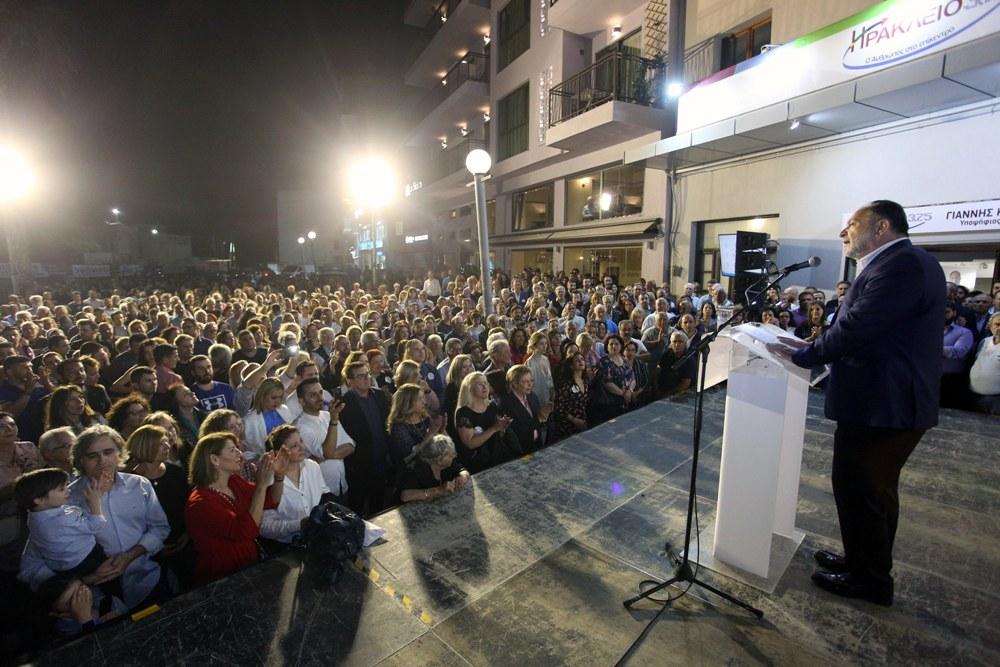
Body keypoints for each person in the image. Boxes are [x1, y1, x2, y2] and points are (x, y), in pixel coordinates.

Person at [780, 200, 945, 607]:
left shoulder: (901, 265)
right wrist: (813, 347)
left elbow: (858, 326)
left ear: (882, 227)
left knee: (862, 491)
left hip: (884, 405)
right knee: (873, 492)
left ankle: (869, 581)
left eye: (852, 224)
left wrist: (804, 354)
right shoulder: (905, 262)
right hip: (884, 402)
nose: (843, 233)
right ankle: (863, 562)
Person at [19, 425, 172, 610]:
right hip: (94, 599)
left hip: (147, 580)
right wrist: (79, 581)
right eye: (92, 456)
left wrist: (131, 556)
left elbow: (160, 528)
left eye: (108, 452)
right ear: (80, 460)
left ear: (120, 453)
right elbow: (31, 566)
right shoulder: (63, 499)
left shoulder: (139, 485)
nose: (102, 461)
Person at [184, 433, 287, 584]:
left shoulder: (233, 481)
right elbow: (246, 531)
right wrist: (261, 485)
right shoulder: (200, 503)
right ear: (214, 459)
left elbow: (271, 500)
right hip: (222, 577)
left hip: (248, 566)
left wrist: (279, 476)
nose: (240, 453)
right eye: (233, 450)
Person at [15, 467, 123, 606]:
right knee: (109, 580)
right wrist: (95, 502)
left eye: (66, 486)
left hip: (62, 566)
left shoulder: (34, 517)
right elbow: (95, 525)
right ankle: (117, 607)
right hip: (87, 559)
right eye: (61, 489)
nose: (68, 490)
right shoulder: (61, 520)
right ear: (39, 500)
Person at [122, 425, 193, 588]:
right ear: (146, 446)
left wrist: (188, 533)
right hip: (148, 556)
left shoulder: (176, 472)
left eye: (167, 441)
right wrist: (154, 547)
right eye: (161, 443)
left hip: (184, 543)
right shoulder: (131, 482)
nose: (168, 446)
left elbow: (190, 505)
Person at [338, 361, 392, 517]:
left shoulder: (380, 395)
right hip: (359, 465)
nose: (366, 378)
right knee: (358, 507)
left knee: (379, 506)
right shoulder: (344, 404)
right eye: (360, 376)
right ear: (350, 381)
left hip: (381, 461)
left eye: (367, 374)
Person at [259, 425, 330, 544]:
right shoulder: (269, 480)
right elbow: (264, 528)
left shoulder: (312, 467)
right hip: (286, 546)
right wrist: (299, 524)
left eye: (301, 441)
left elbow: (324, 496)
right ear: (279, 453)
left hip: (316, 539)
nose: (302, 447)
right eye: (294, 446)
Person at [292, 378, 353, 500]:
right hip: (321, 491)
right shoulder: (300, 427)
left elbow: (350, 446)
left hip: (341, 484)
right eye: (313, 395)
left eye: (320, 392)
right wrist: (334, 422)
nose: (320, 398)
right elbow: (327, 452)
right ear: (301, 401)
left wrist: (324, 456)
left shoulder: (328, 415)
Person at [454, 372, 515, 473]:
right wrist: (494, 428)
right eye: (480, 384)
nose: (485, 386)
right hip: (478, 464)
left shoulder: (491, 406)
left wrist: (503, 426)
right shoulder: (463, 413)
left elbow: (499, 433)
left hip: (498, 458)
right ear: (469, 388)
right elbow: (470, 443)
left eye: (486, 383)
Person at [398, 434, 470, 504]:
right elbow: (405, 496)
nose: (454, 456)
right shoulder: (417, 468)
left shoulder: (448, 464)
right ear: (440, 460)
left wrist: (462, 477)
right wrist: (438, 490)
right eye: (451, 455)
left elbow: (462, 470)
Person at [500, 365, 551, 453]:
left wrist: (544, 415)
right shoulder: (507, 404)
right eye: (525, 381)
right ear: (514, 384)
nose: (530, 384)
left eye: (531, 380)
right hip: (521, 451)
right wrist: (538, 419)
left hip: (537, 446)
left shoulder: (532, 396)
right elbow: (517, 431)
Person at [242, 378, 293, 458]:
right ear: (263, 396)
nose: (277, 401)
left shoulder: (284, 409)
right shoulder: (249, 420)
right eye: (273, 398)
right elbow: (249, 449)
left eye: (280, 397)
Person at [941, 301, 973, 408]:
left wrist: (931, 349)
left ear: (954, 313)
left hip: (950, 380)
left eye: (946, 312)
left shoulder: (964, 332)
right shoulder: (927, 330)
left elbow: (958, 352)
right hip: (927, 377)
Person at [553, 352, 589, 440]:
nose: (581, 362)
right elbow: (559, 407)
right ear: (571, 366)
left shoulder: (585, 382)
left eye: (582, 359)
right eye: (577, 360)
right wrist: (574, 420)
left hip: (583, 422)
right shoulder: (566, 384)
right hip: (568, 426)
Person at [969, 313, 1000, 415]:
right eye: (997, 324)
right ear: (990, 326)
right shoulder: (985, 341)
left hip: (995, 400)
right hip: (973, 395)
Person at [657, 331, 696, 396]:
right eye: (674, 342)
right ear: (671, 343)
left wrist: (666, 395)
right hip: (662, 389)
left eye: (680, 342)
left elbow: (685, 384)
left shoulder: (689, 359)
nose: (677, 344)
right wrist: (656, 390)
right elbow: (658, 371)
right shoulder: (666, 354)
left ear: (685, 343)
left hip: (680, 394)